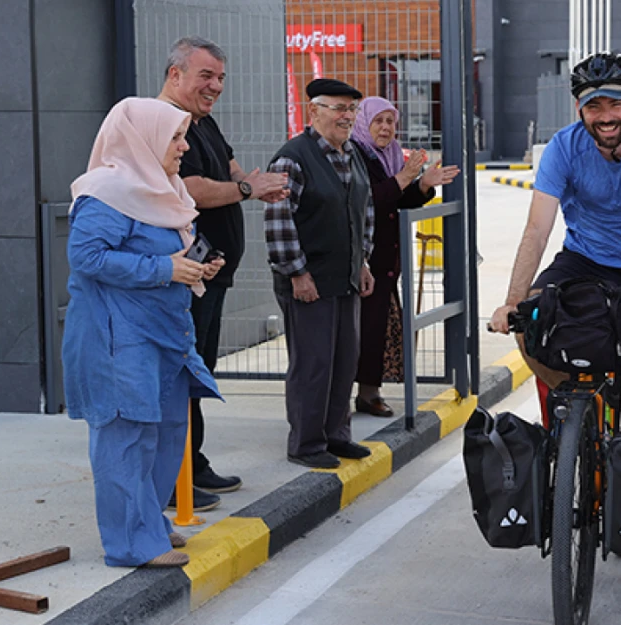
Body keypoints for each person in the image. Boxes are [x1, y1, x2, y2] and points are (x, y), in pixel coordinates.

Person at [489, 52, 621, 451]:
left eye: (615, 104)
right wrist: (512, 300)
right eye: (593, 106)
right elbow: (537, 229)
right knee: (528, 323)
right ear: (579, 109)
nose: (605, 116)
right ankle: (585, 405)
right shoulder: (564, 148)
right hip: (583, 261)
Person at [63, 97, 224, 568]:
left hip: (161, 334)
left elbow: (170, 253)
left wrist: (194, 269)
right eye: (174, 137)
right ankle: (130, 542)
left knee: (167, 431)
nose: (184, 146)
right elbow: (86, 258)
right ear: (142, 139)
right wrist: (164, 269)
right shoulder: (107, 191)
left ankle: (149, 522)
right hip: (119, 339)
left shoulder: (164, 189)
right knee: (126, 437)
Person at [157, 36, 290, 511]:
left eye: (220, 78)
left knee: (197, 372)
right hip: (183, 274)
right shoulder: (167, 124)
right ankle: (174, 476)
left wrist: (251, 185)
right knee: (179, 375)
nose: (215, 86)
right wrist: (248, 188)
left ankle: (192, 462)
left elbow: (230, 168)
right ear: (175, 75)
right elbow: (189, 188)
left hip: (210, 274)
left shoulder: (201, 121)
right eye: (205, 76)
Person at [265, 78, 376, 469]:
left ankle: (335, 436)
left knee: (344, 359)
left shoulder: (353, 154)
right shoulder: (292, 158)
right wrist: (297, 273)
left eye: (352, 110)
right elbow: (278, 220)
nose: (347, 117)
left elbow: (364, 212)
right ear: (314, 111)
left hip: (345, 275)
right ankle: (307, 444)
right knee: (313, 363)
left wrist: (363, 261)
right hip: (309, 279)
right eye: (338, 109)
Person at [350, 97, 461, 417]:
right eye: (378, 121)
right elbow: (367, 201)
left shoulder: (392, 155)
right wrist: (402, 179)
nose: (386, 128)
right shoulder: (354, 154)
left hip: (387, 261)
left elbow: (398, 202)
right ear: (363, 123)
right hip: (361, 257)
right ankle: (337, 400)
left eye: (390, 121)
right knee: (353, 332)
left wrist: (423, 185)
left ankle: (369, 394)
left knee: (378, 329)